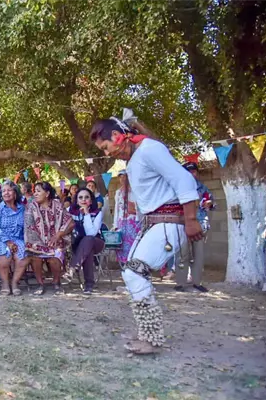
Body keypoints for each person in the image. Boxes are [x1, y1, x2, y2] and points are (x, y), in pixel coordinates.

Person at [90, 116, 202, 355]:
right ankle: (147, 334)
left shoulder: (150, 149)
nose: (107, 153)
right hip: (154, 224)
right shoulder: (135, 158)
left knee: (134, 273)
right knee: (130, 273)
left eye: (106, 147)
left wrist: (191, 219)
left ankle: (151, 339)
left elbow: (183, 179)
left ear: (116, 136)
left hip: (169, 223)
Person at [25, 182, 74, 295]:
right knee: (35, 256)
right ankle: (40, 284)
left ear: (47, 194)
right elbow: (29, 227)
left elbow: (70, 222)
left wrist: (58, 235)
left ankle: (56, 283)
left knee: (55, 256)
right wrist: (41, 243)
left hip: (56, 240)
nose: (35, 194)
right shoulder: (31, 206)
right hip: (37, 241)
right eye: (35, 191)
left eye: (38, 191)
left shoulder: (57, 205)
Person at [175, 162, 213, 293]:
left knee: (199, 254)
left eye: (194, 171)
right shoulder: (177, 188)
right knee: (182, 254)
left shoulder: (203, 188)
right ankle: (180, 283)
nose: (191, 174)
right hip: (182, 224)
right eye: (188, 172)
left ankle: (197, 282)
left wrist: (209, 203)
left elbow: (211, 203)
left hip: (200, 224)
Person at [0, 181, 29, 296]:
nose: (6, 193)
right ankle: (5, 283)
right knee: (3, 257)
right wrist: (7, 241)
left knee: (23, 255)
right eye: (4, 191)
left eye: (9, 190)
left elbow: (27, 226)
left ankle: (14, 283)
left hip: (16, 238)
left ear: (15, 193)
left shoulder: (22, 208)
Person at [66, 187, 105, 295]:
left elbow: (91, 233)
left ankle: (73, 267)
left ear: (91, 200)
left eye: (86, 197)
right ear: (76, 200)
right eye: (80, 197)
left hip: (96, 242)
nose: (83, 200)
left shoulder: (97, 213)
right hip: (77, 244)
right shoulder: (70, 211)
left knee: (88, 240)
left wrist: (87, 214)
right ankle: (89, 285)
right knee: (88, 250)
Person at [112, 170, 140, 264]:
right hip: (122, 223)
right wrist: (115, 225)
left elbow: (140, 207)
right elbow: (116, 209)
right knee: (122, 244)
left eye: (125, 176)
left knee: (134, 244)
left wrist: (133, 209)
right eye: (121, 177)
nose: (123, 179)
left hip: (134, 222)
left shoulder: (135, 191)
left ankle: (135, 264)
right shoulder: (118, 192)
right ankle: (124, 265)